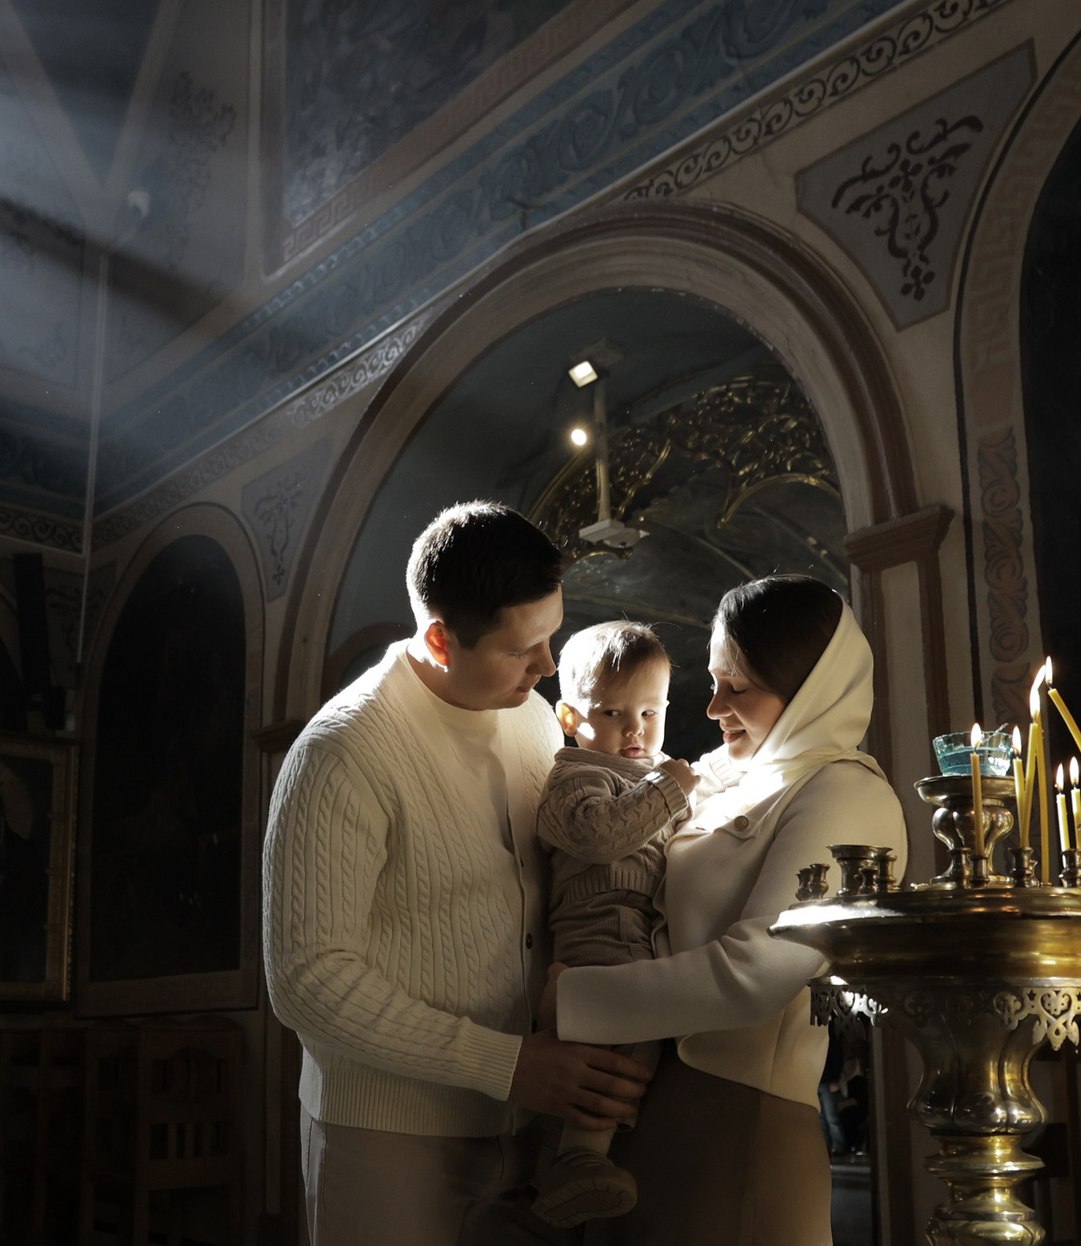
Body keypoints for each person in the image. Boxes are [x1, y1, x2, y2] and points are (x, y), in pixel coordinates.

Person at [264, 502, 654, 1246]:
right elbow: (307, 979)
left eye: (553, 636)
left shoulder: (535, 719)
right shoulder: (342, 752)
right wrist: (507, 1066)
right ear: (441, 638)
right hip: (388, 1133)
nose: (546, 667)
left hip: (532, 1128)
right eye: (523, 649)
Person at [552, 574, 907, 1246]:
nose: (712, 707)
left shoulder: (846, 794)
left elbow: (758, 972)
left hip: (739, 1124)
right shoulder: (713, 775)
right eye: (714, 681)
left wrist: (571, 995)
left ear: (808, 689)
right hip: (637, 1112)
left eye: (738, 687)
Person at [529, 621, 698, 1226]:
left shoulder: (650, 780)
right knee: (606, 1065)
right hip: (596, 947)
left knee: (632, 1056)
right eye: (612, 712)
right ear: (572, 718)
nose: (635, 729)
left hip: (640, 946)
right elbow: (601, 835)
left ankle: (577, 1161)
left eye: (650, 712)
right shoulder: (575, 775)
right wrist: (671, 789)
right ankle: (575, 1160)